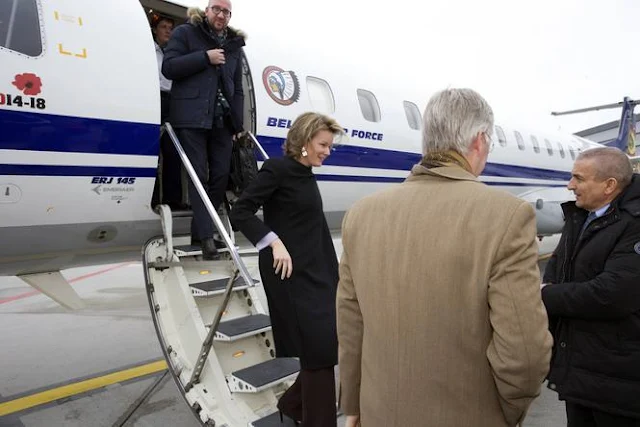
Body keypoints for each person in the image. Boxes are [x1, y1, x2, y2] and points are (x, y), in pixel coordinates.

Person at [337, 88, 553, 427]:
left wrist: (355, 406)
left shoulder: (361, 214)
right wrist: (505, 412)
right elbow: (524, 353)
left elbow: (351, 328)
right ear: (480, 141)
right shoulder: (507, 215)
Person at [230, 112, 344, 427]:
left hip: (318, 275)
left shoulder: (306, 174)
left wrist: (337, 279)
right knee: (318, 353)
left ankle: (293, 404)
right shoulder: (277, 170)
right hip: (290, 276)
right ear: (304, 141)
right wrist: (272, 241)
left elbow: (314, 231)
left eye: (329, 146)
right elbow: (240, 211)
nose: (327, 151)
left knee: (325, 348)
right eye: (323, 144)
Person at [541, 147, 640, 427]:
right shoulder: (581, 217)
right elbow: (557, 268)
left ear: (609, 186)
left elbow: (613, 294)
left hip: (619, 384)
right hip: (580, 375)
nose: (570, 185)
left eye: (579, 179)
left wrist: (544, 294)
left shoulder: (635, 223)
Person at [162, 0, 245, 259]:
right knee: (199, 176)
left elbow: (237, 88)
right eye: (217, 9)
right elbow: (169, 67)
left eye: (226, 12)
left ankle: (201, 230)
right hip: (191, 117)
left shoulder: (234, 46)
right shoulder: (185, 33)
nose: (221, 15)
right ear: (206, 10)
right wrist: (204, 58)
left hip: (222, 121)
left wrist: (238, 125)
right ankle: (207, 239)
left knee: (221, 175)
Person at [150, 15, 183, 210]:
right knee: (153, 152)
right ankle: (153, 200)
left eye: (171, 27)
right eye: (164, 27)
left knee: (172, 153)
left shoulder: (176, 54)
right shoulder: (147, 51)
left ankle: (173, 200)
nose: (168, 31)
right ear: (155, 30)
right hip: (154, 100)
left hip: (173, 102)